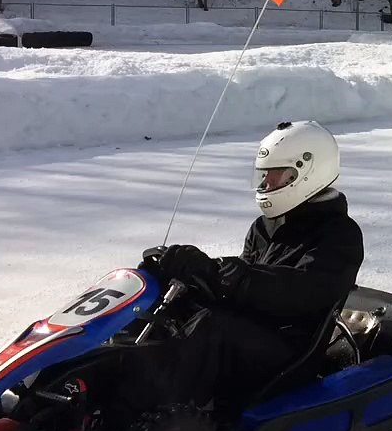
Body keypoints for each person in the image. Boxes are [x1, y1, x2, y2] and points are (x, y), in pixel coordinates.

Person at [121, 120, 364, 415]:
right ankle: (104, 373)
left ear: (304, 172)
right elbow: (242, 286)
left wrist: (228, 275)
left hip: (291, 349)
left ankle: (145, 417)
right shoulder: (265, 226)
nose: (265, 185)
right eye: (263, 176)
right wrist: (188, 273)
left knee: (212, 328)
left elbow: (302, 292)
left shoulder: (340, 235)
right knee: (170, 308)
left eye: (273, 176)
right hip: (255, 329)